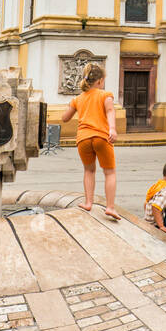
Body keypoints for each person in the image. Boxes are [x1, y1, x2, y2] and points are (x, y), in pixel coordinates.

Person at [61, 62, 120, 220]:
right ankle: (110, 207)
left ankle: (88, 202)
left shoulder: (78, 98)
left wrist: (73, 104)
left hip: (83, 139)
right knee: (109, 172)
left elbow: (65, 118)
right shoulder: (105, 95)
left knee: (89, 170)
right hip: (101, 137)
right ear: (100, 81)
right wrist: (112, 129)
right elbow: (110, 111)